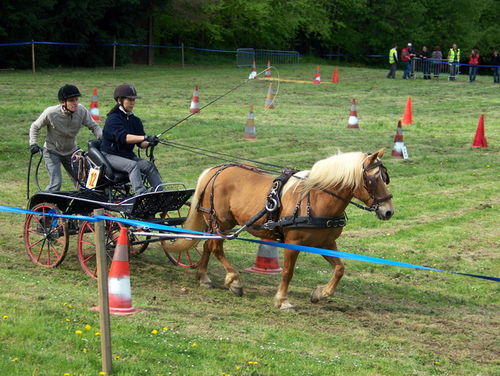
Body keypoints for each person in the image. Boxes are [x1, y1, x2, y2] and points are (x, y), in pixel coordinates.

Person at [29, 84, 102, 192]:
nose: (75, 103)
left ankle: (81, 206)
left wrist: (102, 139)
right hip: (52, 151)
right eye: (72, 100)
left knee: (84, 183)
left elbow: (94, 126)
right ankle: (43, 205)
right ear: (63, 102)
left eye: (76, 100)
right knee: (55, 184)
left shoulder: (81, 111)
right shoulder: (51, 113)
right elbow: (35, 127)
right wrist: (33, 143)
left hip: (72, 151)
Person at [101, 83, 163, 196]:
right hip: (110, 155)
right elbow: (125, 138)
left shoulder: (135, 120)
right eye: (129, 99)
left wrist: (150, 142)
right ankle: (141, 193)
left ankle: (159, 193)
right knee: (132, 165)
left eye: (133, 100)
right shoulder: (113, 119)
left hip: (126, 155)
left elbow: (141, 144)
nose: (132, 102)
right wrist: (145, 137)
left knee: (148, 166)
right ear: (119, 100)